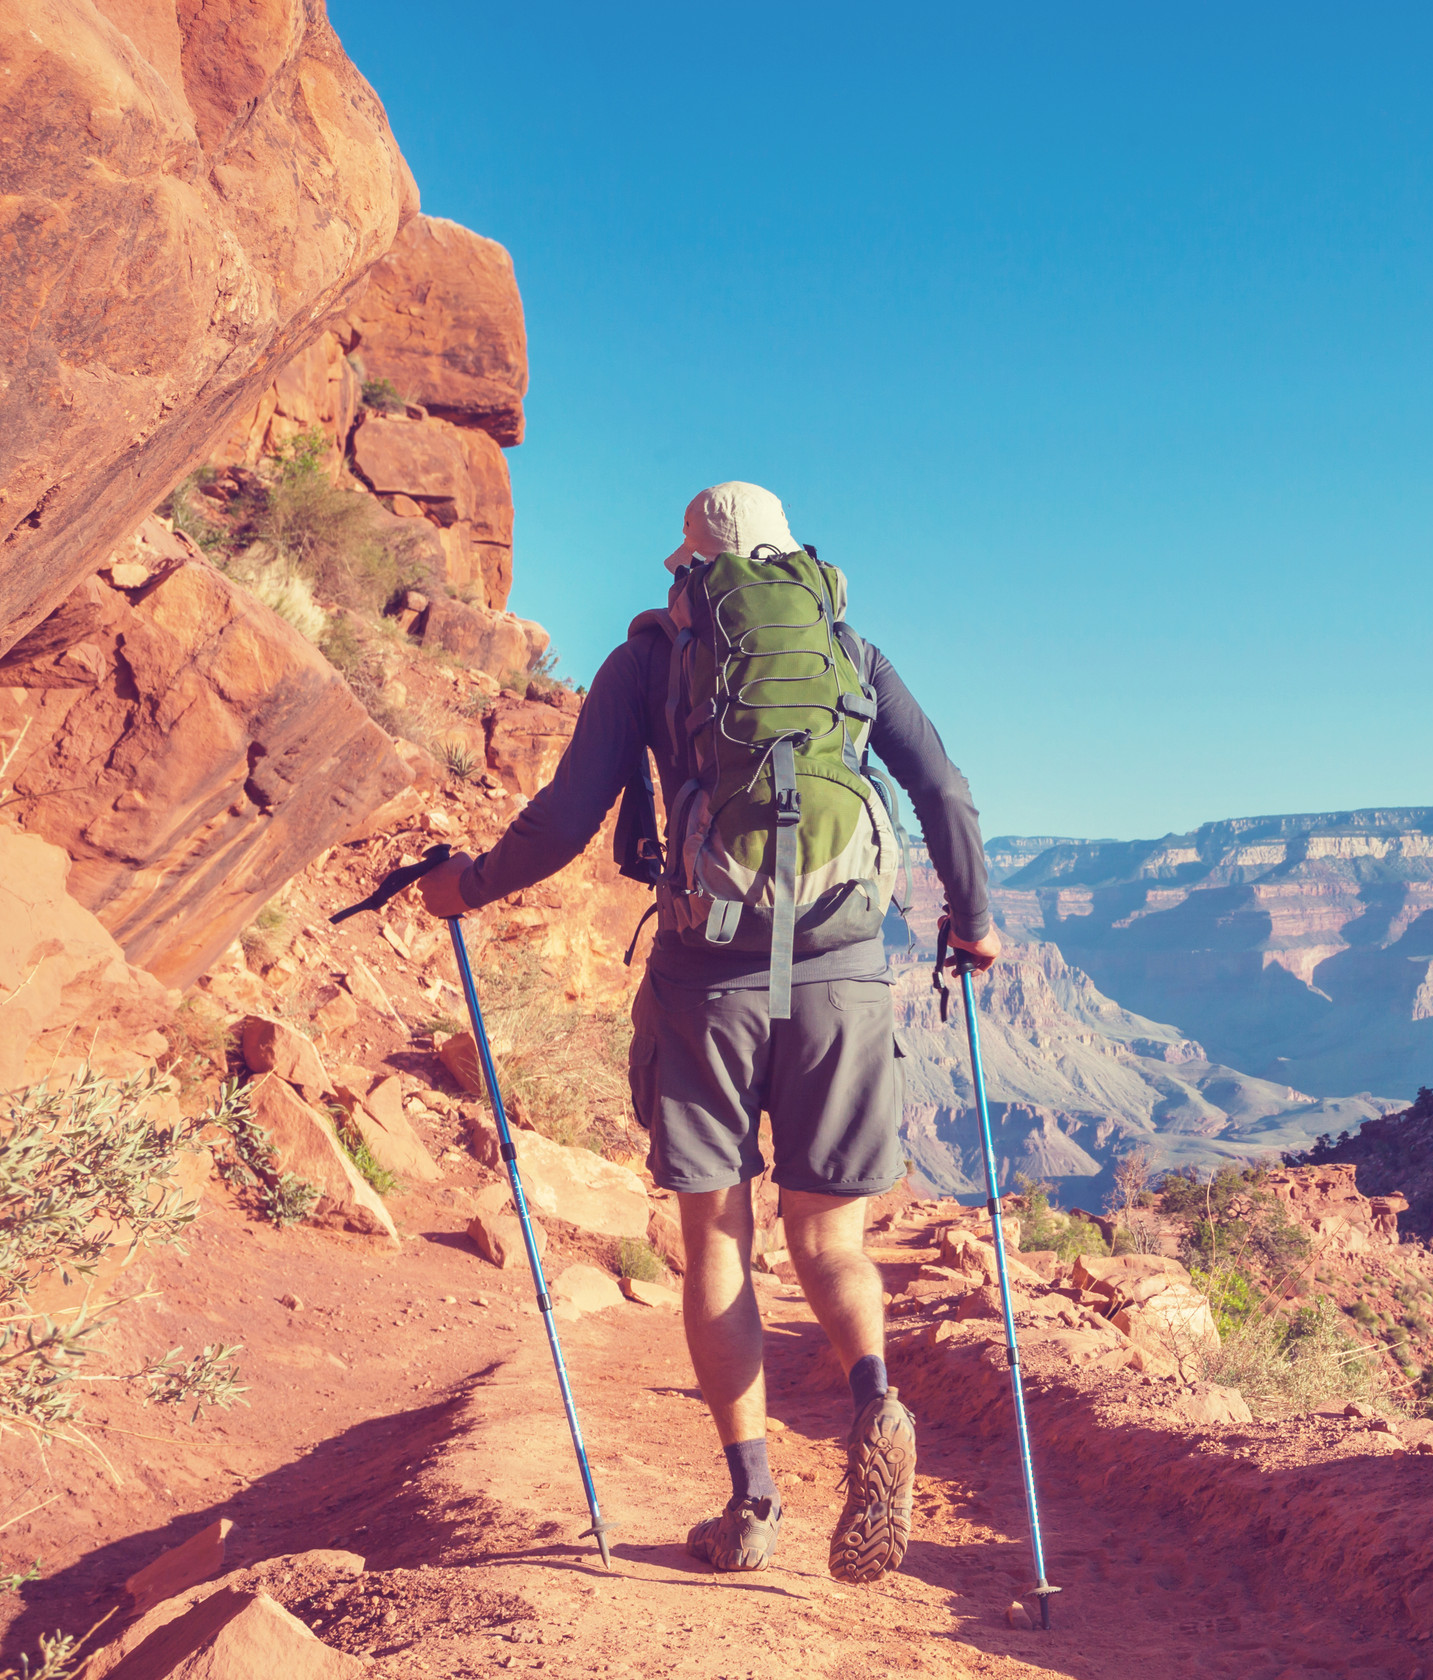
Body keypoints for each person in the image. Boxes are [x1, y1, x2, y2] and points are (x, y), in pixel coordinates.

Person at [416, 482, 1000, 1580]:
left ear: (687, 567)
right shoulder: (849, 653)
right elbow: (947, 794)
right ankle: (876, 1398)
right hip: (841, 977)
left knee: (718, 1241)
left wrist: (470, 887)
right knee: (833, 1241)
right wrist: (974, 926)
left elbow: (567, 816)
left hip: (706, 982)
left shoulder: (647, 663)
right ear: (790, 562)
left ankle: (754, 1503)